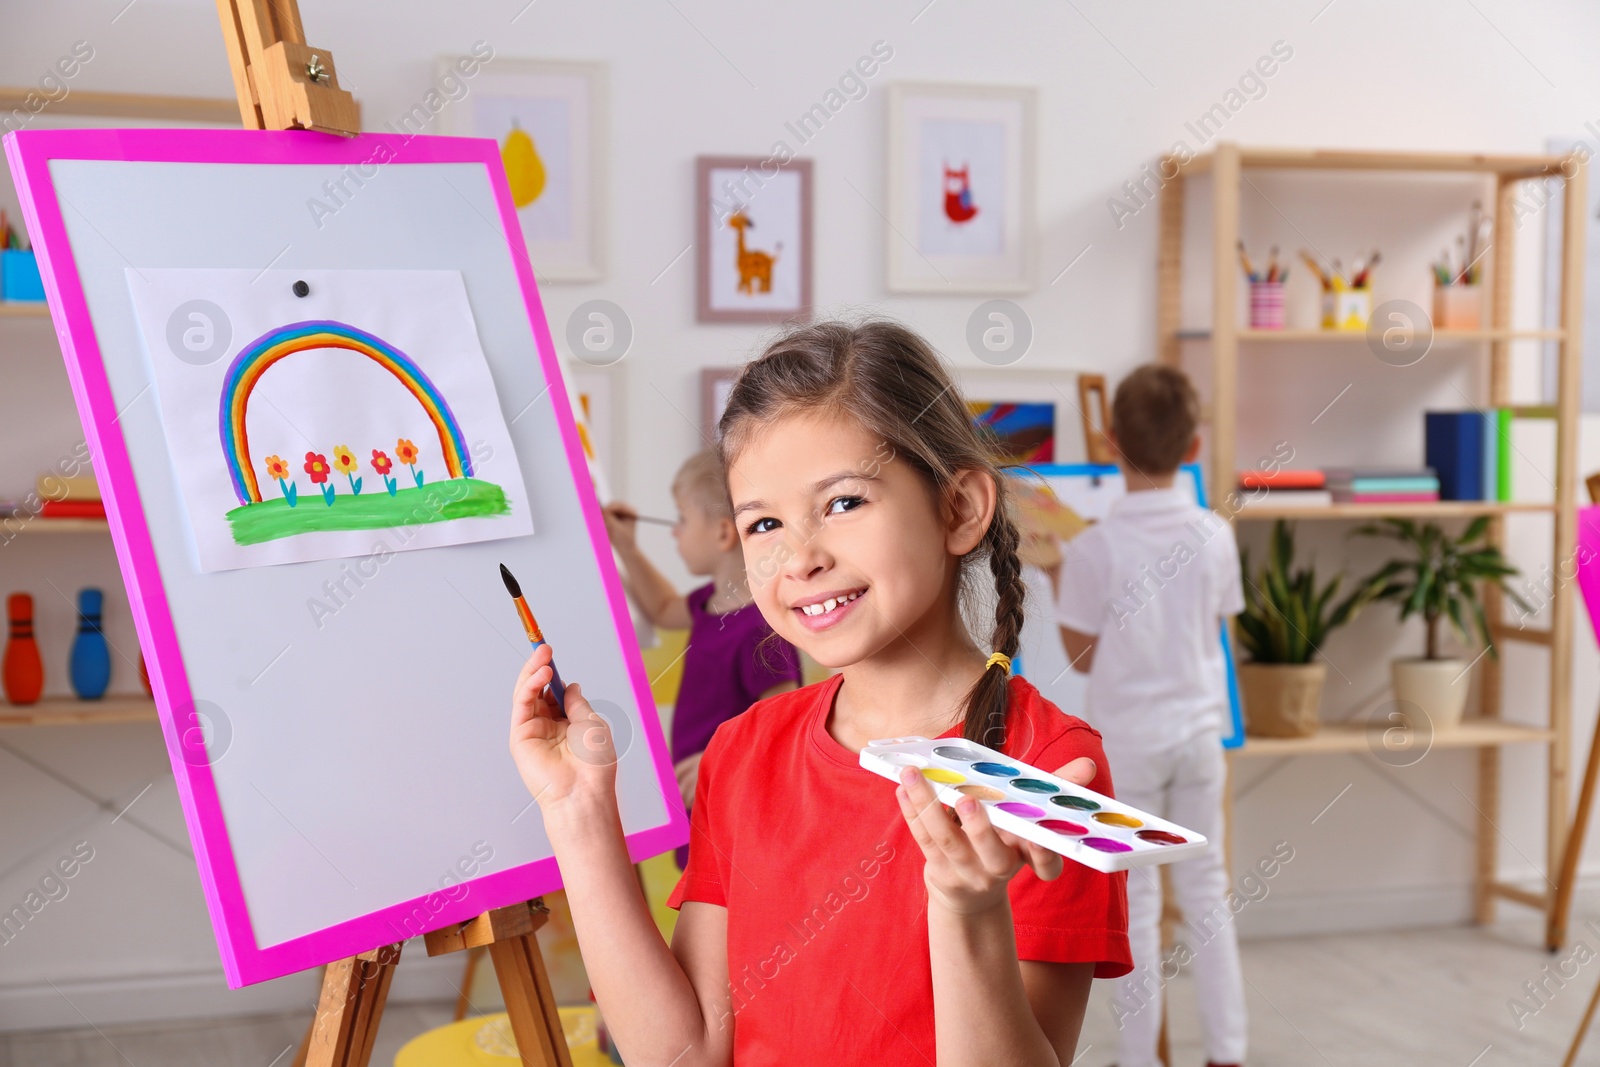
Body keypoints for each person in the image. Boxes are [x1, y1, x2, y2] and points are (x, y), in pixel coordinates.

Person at [509, 320, 1130, 1066]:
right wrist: (580, 818)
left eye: (842, 503)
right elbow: (687, 1053)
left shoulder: (1049, 765)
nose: (800, 556)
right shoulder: (742, 751)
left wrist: (968, 911)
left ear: (959, 508)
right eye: (764, 522)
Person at [1054, 363, 1247, 1067]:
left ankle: (1140, 1059)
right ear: (1193, 447)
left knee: (1133, 908)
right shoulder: (1214, 534)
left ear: (1110, 443)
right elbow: (1215, 626)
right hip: (1199, 735)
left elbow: (1084, 658)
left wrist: (1059, 581)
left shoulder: (1093, 546)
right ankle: (1227, 1052)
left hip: (1128, 745)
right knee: (1209, 898)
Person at [603, 451, 801, 869]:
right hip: (702, 805)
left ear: (724, 534)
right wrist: (626, 547)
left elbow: (786, 723)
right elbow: (661, 608)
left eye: (682, 519)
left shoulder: (761, 629)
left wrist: (720, 758)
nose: (675, 533)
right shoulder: (707, 606)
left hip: (740, 816)